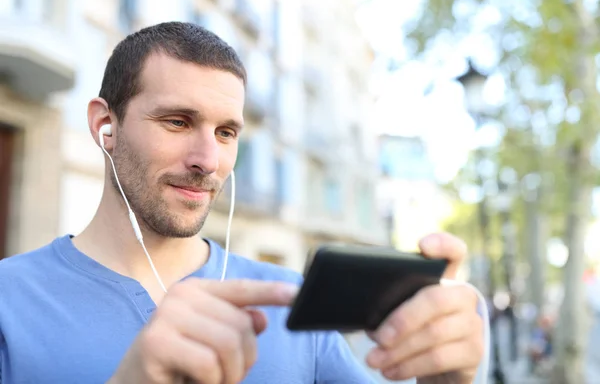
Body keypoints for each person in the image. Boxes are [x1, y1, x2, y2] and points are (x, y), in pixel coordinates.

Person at [0, 22, 483, 384]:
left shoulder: (295, 305)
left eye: (226, 132)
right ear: (105, 125)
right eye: (177, 121)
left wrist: (449, 379)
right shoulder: (9, 301)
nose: (208, 161)